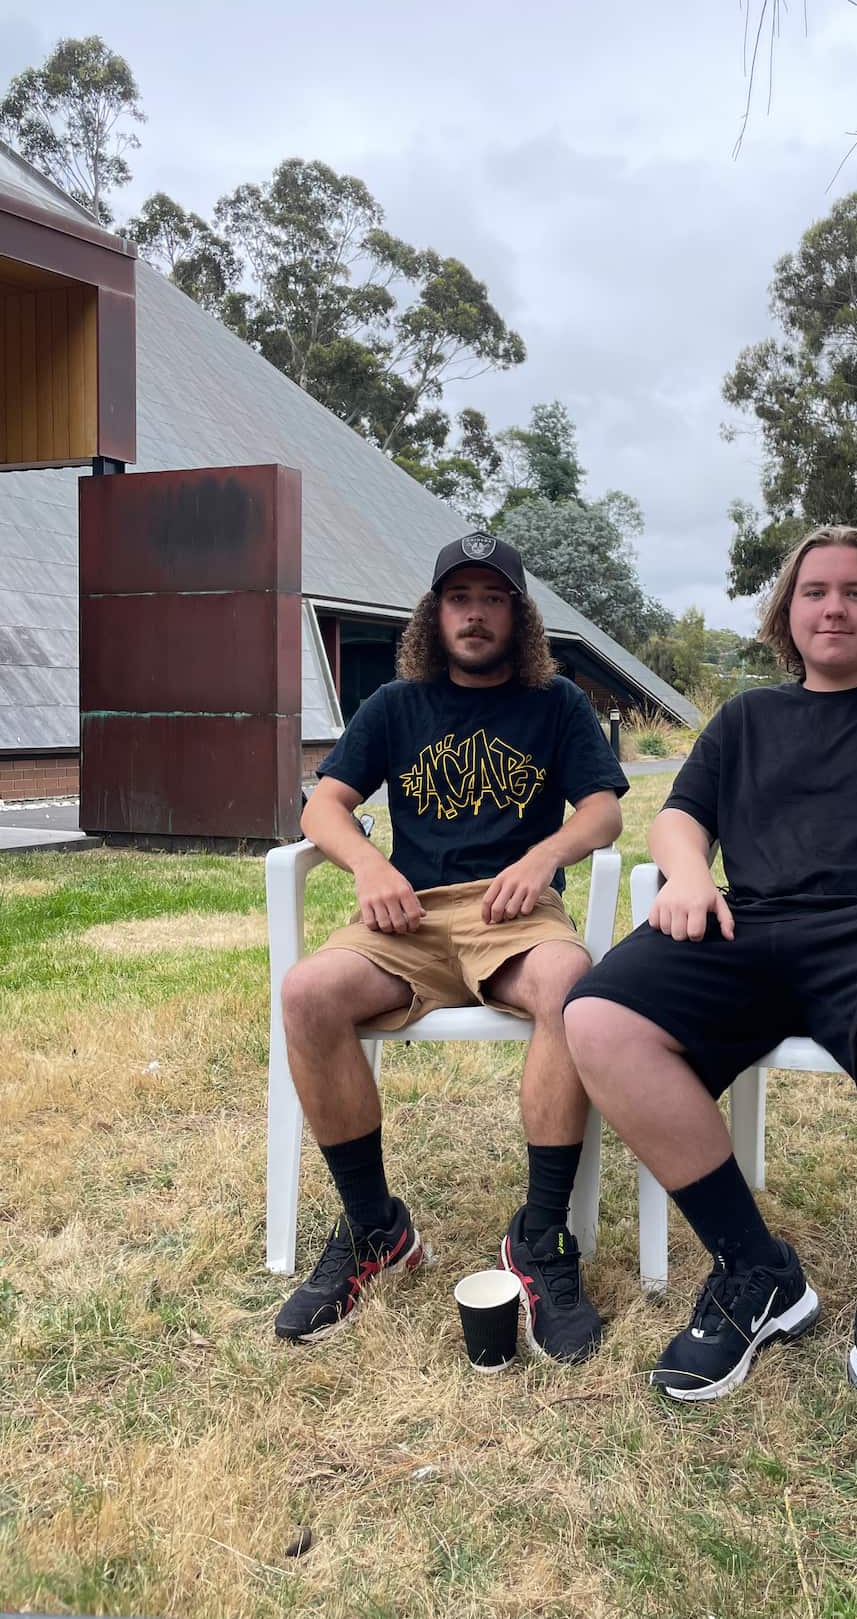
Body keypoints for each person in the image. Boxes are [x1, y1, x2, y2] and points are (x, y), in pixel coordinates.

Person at [564, 525, 857, 1475]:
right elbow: (679, 818)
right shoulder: (744, 719)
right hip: (749, 930)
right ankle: (756, 1271)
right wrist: (687, 874)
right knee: (597, 1013)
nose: (834, 607)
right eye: (815, 591)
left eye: (856, 592)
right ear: (788, 612)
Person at [275, 532, 627, 1358]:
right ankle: (375, 1232)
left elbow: (603, 810)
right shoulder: (395, 705)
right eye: (459, 598)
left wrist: (543, 856)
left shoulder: (558, 706)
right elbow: (321, 807)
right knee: (306, 992)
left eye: (493, 598)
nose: (475, 613)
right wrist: (366, 862)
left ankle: (540, 1238)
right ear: (435, 615)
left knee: (571, 982)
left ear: (519, 614)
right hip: (409, 917)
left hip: (516, 915)